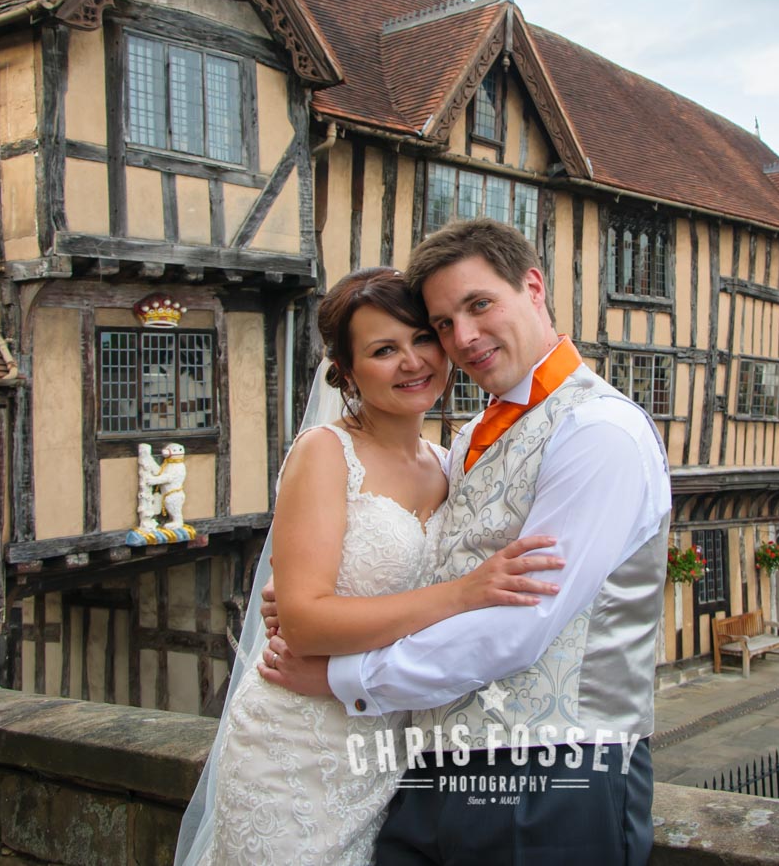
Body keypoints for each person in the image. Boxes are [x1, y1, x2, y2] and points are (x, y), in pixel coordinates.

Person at [262, 219, 673, 865]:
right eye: (445, 323)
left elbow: (520, 626)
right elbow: (437, 573)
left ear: (533, 287)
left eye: (479, 305)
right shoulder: (466, 441)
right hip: (426, 771)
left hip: (554, 776)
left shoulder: (600, 431)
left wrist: (343, 675)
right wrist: (316, 600)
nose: (465, 338)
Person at [173, 267, 563, 866]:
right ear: (347, 372)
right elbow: (304, 625)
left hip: (389, 747)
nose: (413, 362)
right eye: (384, 350)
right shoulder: (325, 453)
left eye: (423, 338)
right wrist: (461, 593)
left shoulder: (451, 463)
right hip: (296, 742)